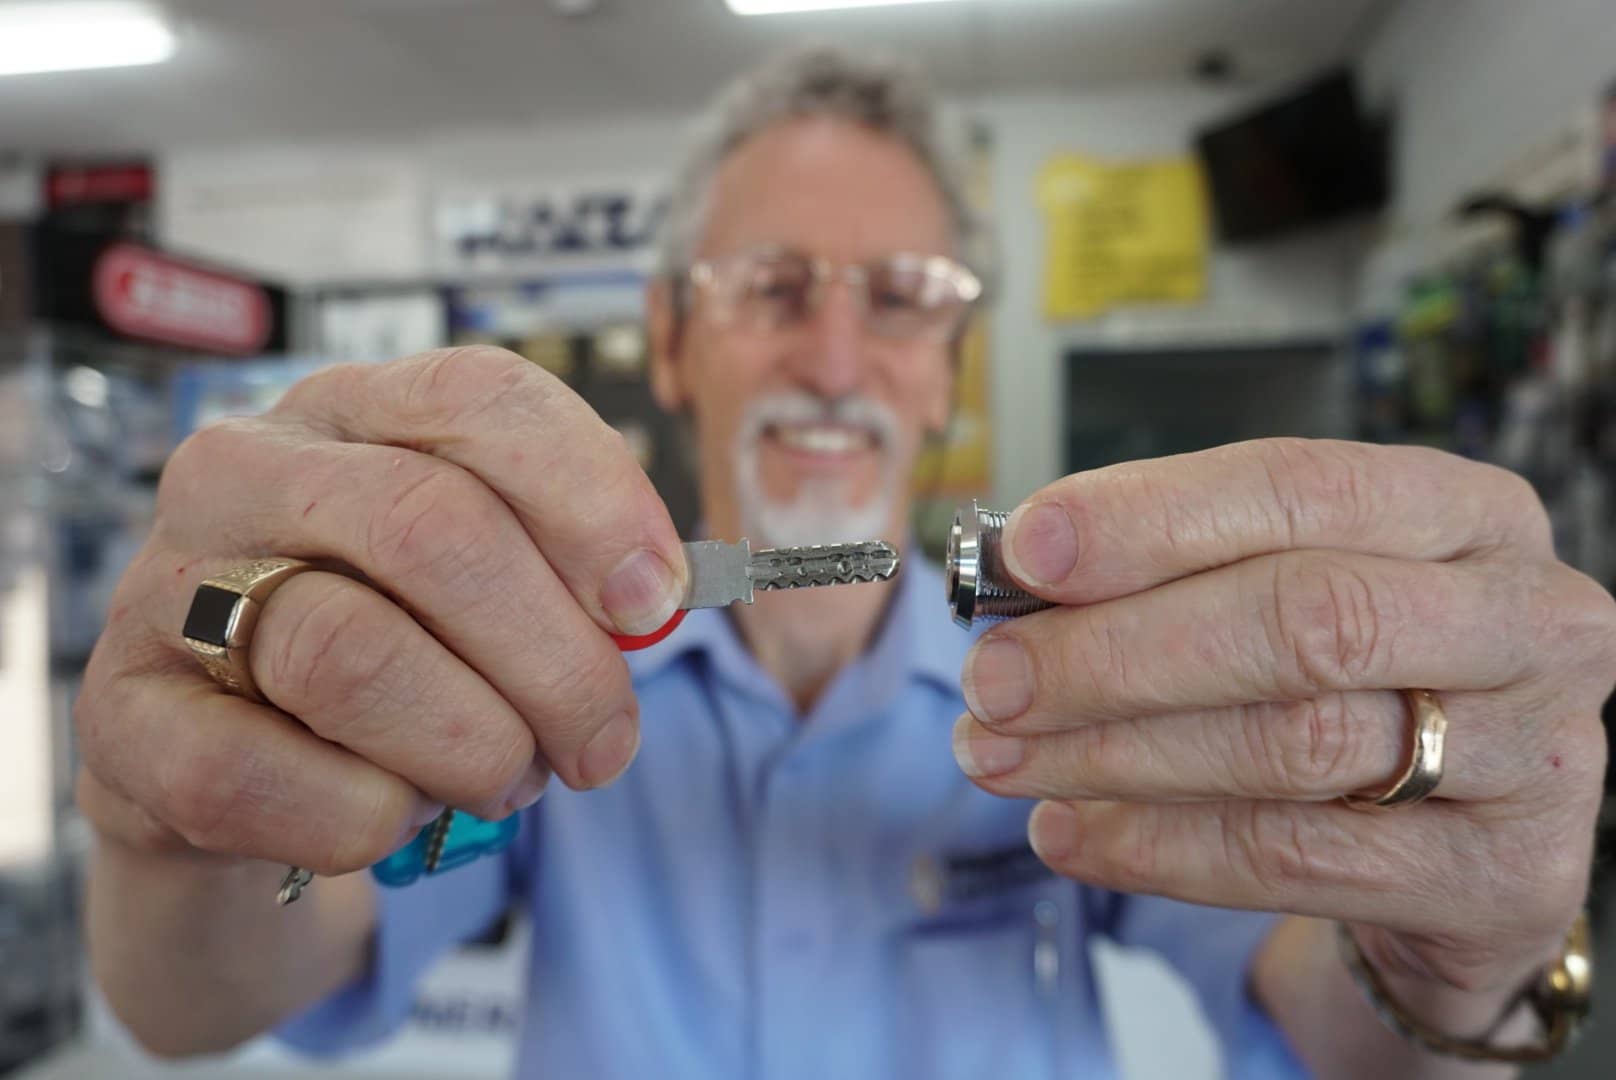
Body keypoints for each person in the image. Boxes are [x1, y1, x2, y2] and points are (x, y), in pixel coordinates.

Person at [76, 46, 1613, 1080]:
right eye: (771, 287)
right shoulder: (525, 671)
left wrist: (1460, 947)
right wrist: (175, 826)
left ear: (951, 363)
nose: (833, 355)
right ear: (672, 341)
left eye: (901, 296)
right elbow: (194, 1003)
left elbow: (1341, 1021)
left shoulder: (1087, 695)